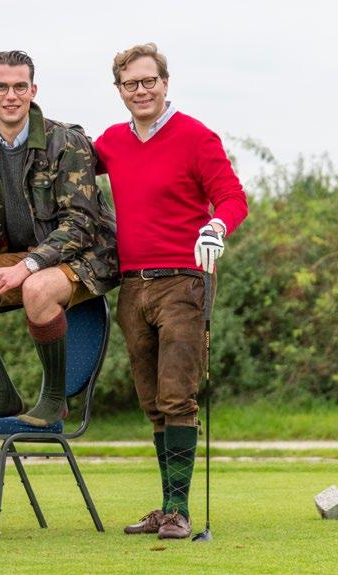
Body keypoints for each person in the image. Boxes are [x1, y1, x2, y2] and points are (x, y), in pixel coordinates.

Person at [94, 43, 248, 539]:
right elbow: (61, 156)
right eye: (130, 84)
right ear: (119, 90)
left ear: (165, 82)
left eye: (149, 81)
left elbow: (232, 196)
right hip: (132, 286)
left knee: (177, 396)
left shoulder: (196, 136)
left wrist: (217, 226)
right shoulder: (111, 142)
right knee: (152, 402)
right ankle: (167, 506)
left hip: (184, 280)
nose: (140, 91)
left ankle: (178, 510)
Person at [0, 50, 118, 428]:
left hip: (89, 256)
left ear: (33, 91)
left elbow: (81, 223)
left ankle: (54, 399)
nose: (11, 96)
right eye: (1, 87)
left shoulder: (66, 142)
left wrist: (26, 267)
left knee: (36, 286)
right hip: (27, 258)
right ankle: (0, 392)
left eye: (20, 87)